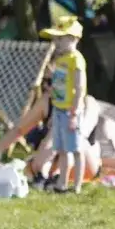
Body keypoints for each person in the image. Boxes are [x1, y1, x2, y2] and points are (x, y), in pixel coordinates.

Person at [42, 16, 87, 194]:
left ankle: (76, 186)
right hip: (59, 109)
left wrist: (75, 113)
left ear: (74, 39)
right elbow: (59, 87)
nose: (57, 42)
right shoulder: (61, 60)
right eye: (56, 39)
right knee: (61, 149)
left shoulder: (76, 60)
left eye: (61, 38)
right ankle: (62, 184)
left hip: (71, 111)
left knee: (76, 149)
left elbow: (79, 87)